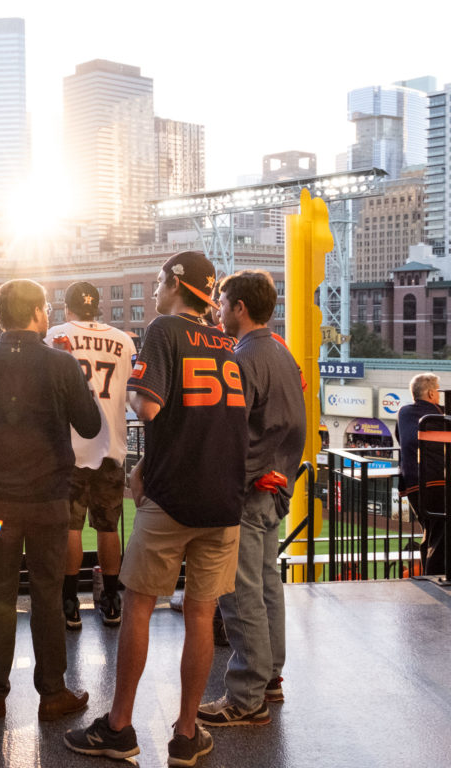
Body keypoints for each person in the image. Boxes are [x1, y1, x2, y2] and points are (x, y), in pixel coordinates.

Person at [65, 251, 248, 766]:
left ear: (174, 284)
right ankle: (186, 735)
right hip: (224, 498)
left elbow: (147, 405)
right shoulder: (228, 340)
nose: (152, 293)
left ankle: (119, 728)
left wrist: (134, 426)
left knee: (140, 606)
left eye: (158, 283)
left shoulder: (166, 329)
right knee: (200, 613)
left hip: (174, 496)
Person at [0, 279, 101, 722]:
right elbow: (89, 426)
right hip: (50, 499)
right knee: (48, 595)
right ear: (35, 312)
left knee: (1, 596)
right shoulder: (62, 363)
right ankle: (52, 694)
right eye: (45, 308)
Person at [196, 270, 306, 727]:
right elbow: (296, 424)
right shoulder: (281, 350)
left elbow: (231, 434)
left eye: (221, 303)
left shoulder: (242, 359)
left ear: (239, 308)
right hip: (275, 486)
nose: (218, 312)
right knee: (265, 587)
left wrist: (233, 481)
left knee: (240, 594)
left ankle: (246, 696)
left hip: (249, 489)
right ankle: (270, 680)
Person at [46, 281, 135, 630]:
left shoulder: (55, 333)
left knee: (70, 527)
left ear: (66, 307)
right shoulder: (124, 340)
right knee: (108, 527)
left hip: (67, 445)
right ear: (96, 306)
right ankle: (112, 599)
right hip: (111, 444)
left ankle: (70, 601)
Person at [396, 372, 446, 575]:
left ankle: (428, 574)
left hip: (413, 485)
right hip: (437, 481)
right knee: (441, 531)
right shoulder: (441, 415)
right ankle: (435, 577)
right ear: (432, 393)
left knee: (431, 529)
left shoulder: (403, 412)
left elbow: (402, 438)